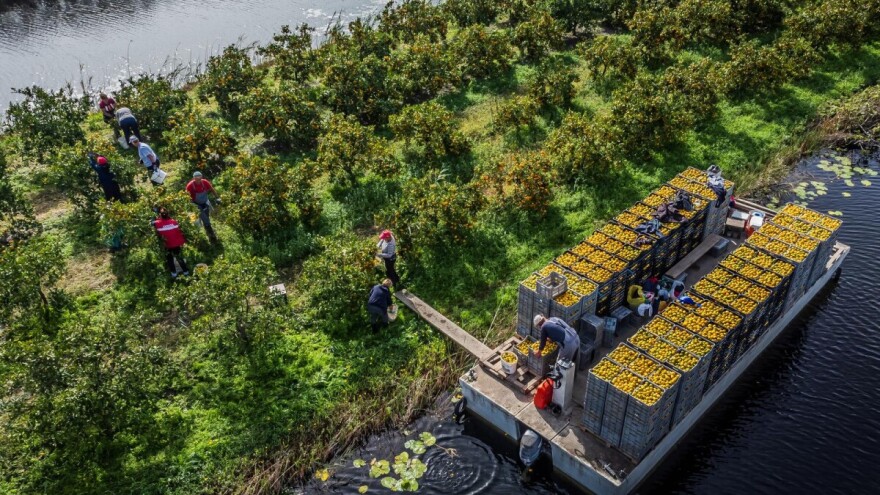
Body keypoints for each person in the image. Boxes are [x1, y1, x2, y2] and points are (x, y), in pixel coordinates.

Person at [151, 207, 189, 278]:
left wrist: (155, 212)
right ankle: (186, 272)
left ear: (160, 215)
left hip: (167, 245)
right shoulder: (174, 221)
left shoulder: (157, 223)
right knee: (179, 257)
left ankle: (174, 273)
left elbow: (151, 222)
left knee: (170, 259)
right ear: (168, 214)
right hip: (176, 243)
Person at [186, 171, 220, 242]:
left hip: (205, 202)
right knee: (205, 220)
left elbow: (212, 189)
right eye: (196, 178)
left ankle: (208, 233)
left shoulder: (204, 182)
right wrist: (191, 206)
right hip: (196, 204)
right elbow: (186, 197)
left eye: (199, 178)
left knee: (207, 218)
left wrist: (217, 198)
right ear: (193, 178)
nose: (198, 180)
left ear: (201, 177)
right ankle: (212, 236)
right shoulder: (190, 186)